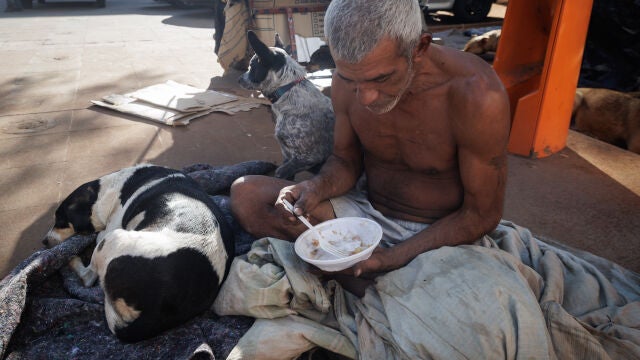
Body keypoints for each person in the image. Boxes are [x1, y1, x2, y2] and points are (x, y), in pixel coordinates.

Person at [230, 0, 510, 296]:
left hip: (438, 234)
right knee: (246, 196)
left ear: (420, 48)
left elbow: (481, 214)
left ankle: (361, 280)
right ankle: (370, 285)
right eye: (351, 80)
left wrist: (391, 258)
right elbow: (345, 161)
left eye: (381, 78)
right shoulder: (345, 83)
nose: (365, 98)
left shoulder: (476, 94)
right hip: (363, 218)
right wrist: (315, 188)